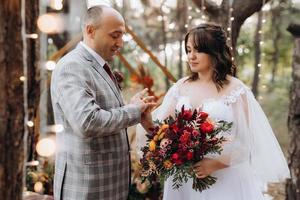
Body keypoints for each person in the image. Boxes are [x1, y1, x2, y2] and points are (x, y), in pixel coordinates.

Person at [136, 23, 290, 200]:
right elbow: (162, 132)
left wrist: (216, 163)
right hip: (184, 178)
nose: (191, 56)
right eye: (188, 50)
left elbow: (248, 141)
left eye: (198, 50)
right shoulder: (180, 87)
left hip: (226, 178)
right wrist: (146, 120)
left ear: (214, 52)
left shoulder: (236, 89)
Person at [51, 5, 155, 200]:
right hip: (86, 188)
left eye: (122, 36)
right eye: (114, 35)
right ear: (90, 30)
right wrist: (132, 112)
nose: (120, 43)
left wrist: (129, 106)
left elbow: (103, 112)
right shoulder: (73, 66)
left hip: (108, 186)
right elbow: (87, 122)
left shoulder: (100, 65)